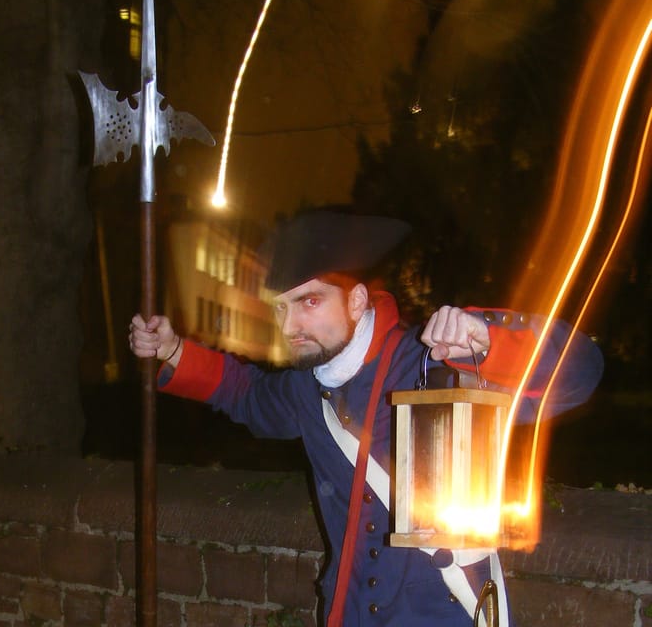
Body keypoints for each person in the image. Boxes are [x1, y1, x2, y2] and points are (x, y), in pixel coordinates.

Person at [129, 209, 604, 627]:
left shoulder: (436, 361)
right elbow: (247, 394)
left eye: (310, 302)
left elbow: (579, 374)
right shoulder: (305, 385)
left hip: (445, 617)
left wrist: (487, 339)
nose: (290, 327)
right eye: (281, 307)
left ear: (356, 301)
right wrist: (173, 351)